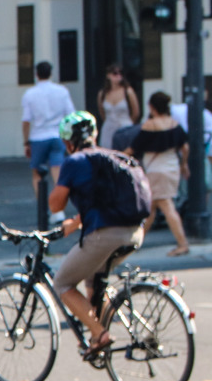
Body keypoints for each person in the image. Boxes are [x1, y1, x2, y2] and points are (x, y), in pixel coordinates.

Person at [48, 111, 148, 355]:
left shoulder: (75, 162)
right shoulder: (115, 157)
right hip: (135, 232)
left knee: (62, 283)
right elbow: (106, 202)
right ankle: (102, 339)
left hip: (105, 236)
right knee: (93, 280)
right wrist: (75, 223)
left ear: (68, 141)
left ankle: (99, 334)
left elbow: (55, 205)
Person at [126, 92, 190, 257]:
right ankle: (135, 242)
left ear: (152, 107)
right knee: (151, 208)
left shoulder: (149, 125)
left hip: (155, 170)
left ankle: (182, 243)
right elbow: (185, 148)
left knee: (164, 206)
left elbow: (133, 148)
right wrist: (184, 166)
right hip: (172, 168)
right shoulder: (174, 124)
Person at [21, 61, 76, 221]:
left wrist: (26, 141)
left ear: (36, 74)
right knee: (57, 172)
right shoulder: (61, 91)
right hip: (57, 134)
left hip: (38, 136)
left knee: (37, 173)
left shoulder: (30, 94)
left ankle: (43, 208)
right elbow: (70, 114)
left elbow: (26, 120)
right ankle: (58, 210)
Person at [96, 64, 139, 154]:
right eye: (115, 73)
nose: (118, 76)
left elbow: (136, 112)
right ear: (108, 75)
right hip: (109, 129)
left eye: (121, 73)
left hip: (125, 127)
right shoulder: (103, 94)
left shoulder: (128, 91)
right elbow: (102, 113)